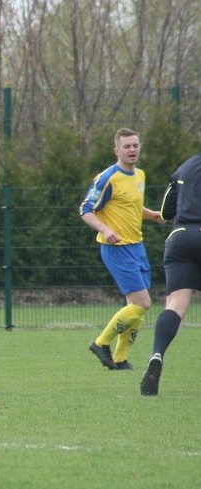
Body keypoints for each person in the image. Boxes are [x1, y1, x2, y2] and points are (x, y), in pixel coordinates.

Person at [80, 128, 163, 371]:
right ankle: (100, 343)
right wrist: (105, 230)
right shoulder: (107, 178)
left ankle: (120, 359)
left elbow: (133, 207)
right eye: (127, 146)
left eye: (135, 145)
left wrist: (152, 215)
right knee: (142, 303)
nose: (132, 150)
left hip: (137, 246)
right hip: (116, 249)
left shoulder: (140, 175)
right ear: (117, 150)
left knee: (135, 308)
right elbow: (85, 209)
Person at [140, 153, 201, 396]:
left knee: (175, 305)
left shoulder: (184, 167)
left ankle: (157, 354)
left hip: (181, 237)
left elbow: (165, 212)